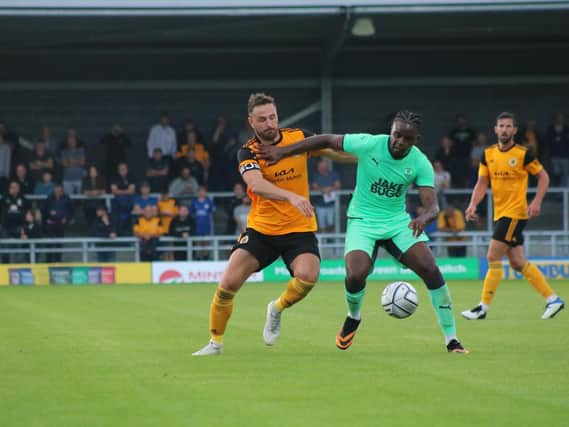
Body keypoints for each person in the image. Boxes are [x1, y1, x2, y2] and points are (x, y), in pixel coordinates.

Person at [257, 109, 468, 354]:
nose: (399, 142)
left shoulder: (420, 162)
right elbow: (326, 140)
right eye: (396, 135)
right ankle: (354, 317)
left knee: (431, 269)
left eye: (407, 139)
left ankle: (452, 339)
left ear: (415, 140)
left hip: (397, 222)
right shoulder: (369, 144)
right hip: (362, 220)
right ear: (391, 131)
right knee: (355, 274)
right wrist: (282, 151)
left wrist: (424, 217)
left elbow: (433, 207)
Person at [192, 92, 353, 356]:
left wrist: (368, 157)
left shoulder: (298, 137)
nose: (269, 124)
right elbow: (255, 183)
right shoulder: (247, 151)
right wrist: (290, 195)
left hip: (299, 228)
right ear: (251, 122)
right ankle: (215, 343)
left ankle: (276, 308)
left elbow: (331, 151)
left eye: (273, 117)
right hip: (262, 230)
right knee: (228, 285)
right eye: (262, 119)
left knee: (309, 277)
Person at [462, 112, 565, 320]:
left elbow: (543, 177)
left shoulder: (523, 154)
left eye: (509, 126)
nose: (505, 129)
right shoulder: (488, 154)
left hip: (515, 213)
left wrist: (536, 202)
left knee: (492, 257)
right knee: (518, 262)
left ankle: (483, 307)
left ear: (515, 130)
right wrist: (473, 204)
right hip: (500, 214)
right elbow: (482, 183)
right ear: (495, 129)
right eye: (501, 126)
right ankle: (553, 300)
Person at [189, 185, 215, 260]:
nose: (202, 193)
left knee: (206, 243)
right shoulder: (194, 202)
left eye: (203, 191)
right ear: (198, 192)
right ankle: (198, 258)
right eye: (200, 191)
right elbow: (191, 213)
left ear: (206, 192)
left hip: (206, 226)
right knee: (198, 243)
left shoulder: (209, 202)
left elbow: (212, 211)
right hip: (197, 226)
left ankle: (206, 258)